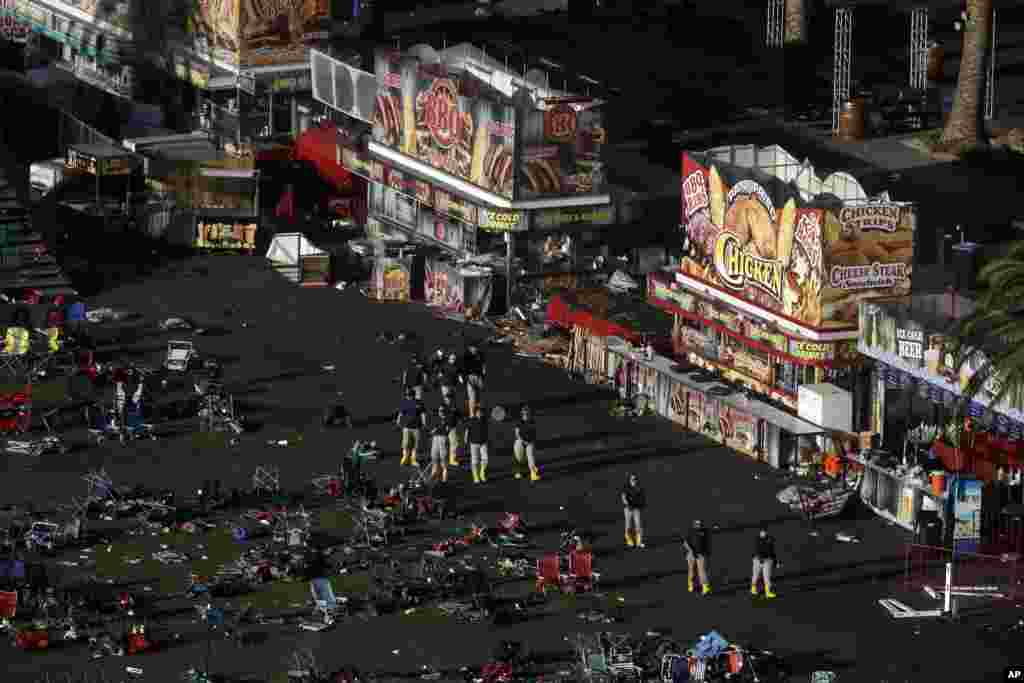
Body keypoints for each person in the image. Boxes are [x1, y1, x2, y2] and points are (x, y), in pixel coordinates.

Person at [395, 389, 425, 466]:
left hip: (416, 427)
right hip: (407, 427)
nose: (408, 397)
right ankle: (405, 457)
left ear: (413, 395)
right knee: (405, 443)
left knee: (416, 444)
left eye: (409, 395)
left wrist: (424, 423)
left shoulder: (419, 403)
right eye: (407, 395)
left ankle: (413, 459)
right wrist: (398, 421)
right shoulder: (405, 403)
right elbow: (401, 413)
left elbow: (423, 414)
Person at [683, 519, 711, 594]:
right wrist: (691, 551)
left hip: (700, 554)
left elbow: (707, 544)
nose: (698, 525)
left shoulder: (705, 532)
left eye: (699, 524)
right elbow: (685, 543)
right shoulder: (690, 532)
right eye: (696, 524)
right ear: (694, 525)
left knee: (701, 571)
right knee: (691, 571)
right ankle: (691, 585)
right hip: (691, 554)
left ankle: (705, 587)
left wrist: (705, 553)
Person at [514, 406, 540, 482]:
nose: (526, 415)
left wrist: (530, 442)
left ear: (529, 414)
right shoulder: (519, 422)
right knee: (519, 458)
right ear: (522, 414)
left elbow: (533, 434)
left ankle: (533, 474)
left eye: (527, 413)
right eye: (524, 413)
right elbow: (517, 434)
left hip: (529, 443)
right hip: (520, 442)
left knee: (531, 457)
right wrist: (522, 440)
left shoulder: (532, 422)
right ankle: (519, 471)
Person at [465, 403, 490, 484]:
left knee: (485, 459)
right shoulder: (471, 420)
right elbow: (467, 430)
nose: (480, 413)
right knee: (475, 461)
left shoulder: (485, 420)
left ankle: (482, 474)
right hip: (474, 443)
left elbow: (486, 431)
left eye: (481, 411)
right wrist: (466, 439)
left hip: (483, 443)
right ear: (475, 412)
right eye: (479, 411)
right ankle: (476, 477)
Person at [621, 474, 646, 548]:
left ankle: (639, 542)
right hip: (628, 509)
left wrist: (641, 505)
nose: (634, 481)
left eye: (635, 479)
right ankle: (629, 540)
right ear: (630, 480)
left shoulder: (639, 488)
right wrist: (627, 504)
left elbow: (642, 497)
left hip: (636, 509)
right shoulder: (626, 487)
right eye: (632, 479)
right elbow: (623, 497)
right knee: (628, 525)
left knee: (638, 525)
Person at [462, 343, 486, 418]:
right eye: (473, 348)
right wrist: (467, 378)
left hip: (479, 377)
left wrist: (484, 371)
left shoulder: (480, 355)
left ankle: (479, 414)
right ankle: (472, 415)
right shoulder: (466, 356)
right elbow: (464, 368)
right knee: (472, 397)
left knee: (481, 396)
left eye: (476, 347)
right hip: (470, 377)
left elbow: (483, 365)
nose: (475, 349)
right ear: (470, 348)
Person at [752, 528, 777, 598]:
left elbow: (772, 552)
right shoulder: (758, 540)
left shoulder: (769, 540)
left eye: (764, 532)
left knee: (767, 577)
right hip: (758, 560)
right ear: (760, 532)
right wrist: (760, 559)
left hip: (766, 561)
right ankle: (753, 589)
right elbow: (756, 551)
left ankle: (767, 592)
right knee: (755, 576)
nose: (763, 533)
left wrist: (775, 562)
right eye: (762, 532)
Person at [429, 405, 451, 482]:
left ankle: (444, 479)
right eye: (440, 411)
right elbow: (432, 429)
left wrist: (437, 429)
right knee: (434, 456)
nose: (441, 412)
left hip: (443, 439)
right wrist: (434, 431)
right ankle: (435, 474)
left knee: (443, 459)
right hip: (436, 438)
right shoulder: (436, 419)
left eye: (442, 411)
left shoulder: (449, 419)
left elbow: (447, 430)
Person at [442, 395, 462, 467]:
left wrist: (459, 420)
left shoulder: (454, 407)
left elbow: (459, 416)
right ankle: (442, 458)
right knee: (443, 444)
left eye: (450, 398)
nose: (449, 400)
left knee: (455, 444)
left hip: (453, 428)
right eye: (447, 398)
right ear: (445, 399)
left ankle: (452, 459)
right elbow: (442, 416)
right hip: (444, 428)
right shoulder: (442, 407)